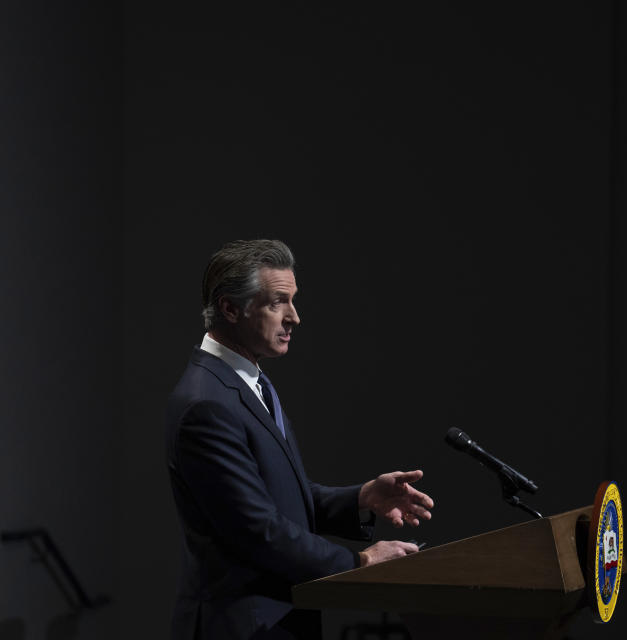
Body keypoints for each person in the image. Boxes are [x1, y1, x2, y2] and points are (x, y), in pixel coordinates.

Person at [165, 239, 434, 639]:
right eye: (279, 302)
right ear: (229, 307)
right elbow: (257, 528)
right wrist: (358, 560)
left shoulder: (249, 383)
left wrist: (362, 497)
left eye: (293, 301)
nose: (295, 317)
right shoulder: (206, 402)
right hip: (245, 626)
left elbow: (275, 496)